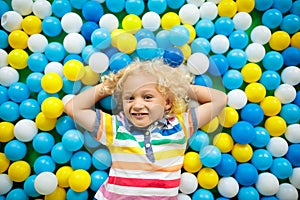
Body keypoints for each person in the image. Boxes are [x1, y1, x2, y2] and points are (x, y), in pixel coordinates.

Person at [64, 59, 228, 199]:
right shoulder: (115, 127)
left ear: (167, 103)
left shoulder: (179, 126)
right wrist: (109, 85)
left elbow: (220, 99)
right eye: (130, 98)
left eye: (147, 97)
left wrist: (179, 86)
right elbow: (73, 108)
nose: (137, 105)